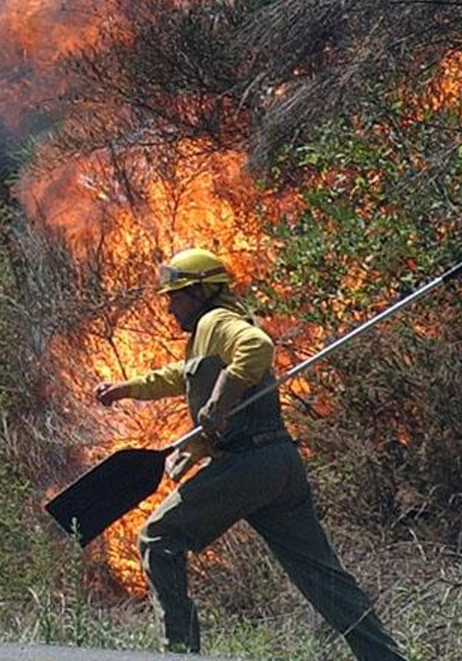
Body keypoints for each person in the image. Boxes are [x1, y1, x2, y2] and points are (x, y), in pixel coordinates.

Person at [94, 246, 409, 660]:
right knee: (321, 575)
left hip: (247, 463)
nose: (169, 307)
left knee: (159, 535)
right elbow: (180, 376)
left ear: (201, 292)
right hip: (279, 463)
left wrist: (222, 398)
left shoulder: (217, 320)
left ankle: (180, 652)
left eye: (175, 297)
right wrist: (127, 389)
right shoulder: (207, 332)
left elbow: (258, 346)